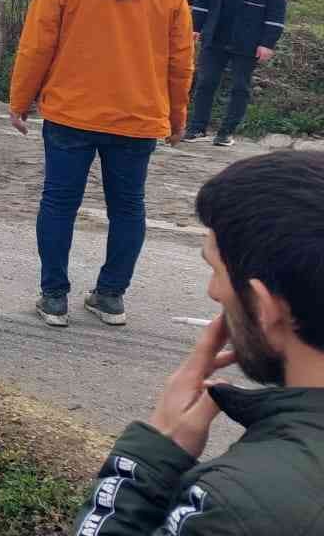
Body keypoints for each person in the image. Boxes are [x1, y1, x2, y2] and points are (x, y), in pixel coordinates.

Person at [69, 150, 324, 535]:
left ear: (263, 306)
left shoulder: (239, 506)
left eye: (215, 270)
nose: (213, 291)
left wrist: (147, 462)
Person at [9, 0, 194, 330]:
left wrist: (20, 100)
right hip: (138, 116)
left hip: (72, 112)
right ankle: (111, 296)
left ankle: (54, 298)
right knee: (128, 207)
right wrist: (177, 118)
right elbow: (181, 60)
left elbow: (37, 45)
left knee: (59, 202)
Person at [186, 0, 288, 148]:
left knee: (240, 87)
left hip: (249, 39)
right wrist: (195, 28)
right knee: (205, 82)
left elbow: (277, 12)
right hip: (216, 34)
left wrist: (268, 43)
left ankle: (226, 133)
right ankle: (196, 128)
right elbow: (202, 0)